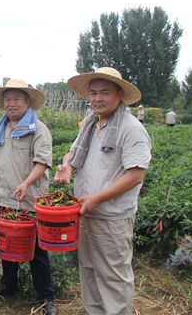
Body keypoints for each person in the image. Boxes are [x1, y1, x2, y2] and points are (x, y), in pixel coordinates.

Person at [54, 67, 151, 315]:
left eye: (105, 92)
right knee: (88, 268)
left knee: (113, 275)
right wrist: (67, 166)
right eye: (93, 92)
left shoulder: (131, 128)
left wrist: (98, 198)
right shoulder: (90, 123)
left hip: (111, 216)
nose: (97, 98)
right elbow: (73, 153)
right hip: (85, 211)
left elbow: (135, 176)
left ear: (119, 95)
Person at [0, 79, 57, 315]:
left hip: (29, 200)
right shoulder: (1, 127)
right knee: (7, 242)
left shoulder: (39, 128)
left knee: (36, 250)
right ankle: (8, 283)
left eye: (16, 99)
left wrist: (25, 183)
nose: (11, 104)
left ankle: (46, 298)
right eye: (7, 100)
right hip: (4, 197)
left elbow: (42, 163)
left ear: (27, 102)